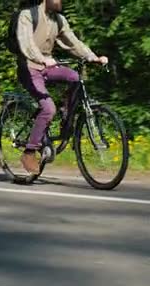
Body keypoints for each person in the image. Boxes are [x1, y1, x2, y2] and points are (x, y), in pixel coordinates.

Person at [14, 0, 108, 174]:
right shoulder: (27, 16)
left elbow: (73, 42)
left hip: (48, 66)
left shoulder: (58, 20)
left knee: (75, 78)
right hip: (29, 67)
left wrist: (92, 57)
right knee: (49, 109)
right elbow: (26, 43)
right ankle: (29, 151)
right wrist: (41, 59)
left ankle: (67, 119)